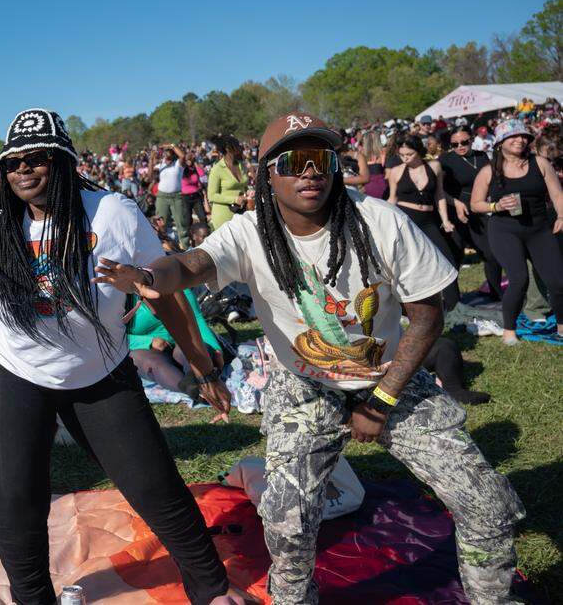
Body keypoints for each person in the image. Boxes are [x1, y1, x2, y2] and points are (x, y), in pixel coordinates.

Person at [97, 112, 526, 605]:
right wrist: (152, 276)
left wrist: (381, 401)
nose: (310, 171)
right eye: (293, 161)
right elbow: (192, 263)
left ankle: (493, 599)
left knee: (487, 504)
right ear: (267, 173)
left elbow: (427, 316)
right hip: (304, 385)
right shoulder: (249, 232)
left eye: (321, 159)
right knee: (286, 523)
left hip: (390, 380)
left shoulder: (380, 220)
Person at [0, 109, 243, 605]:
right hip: (13, 372)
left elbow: (164, 293)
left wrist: (199, 360)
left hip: (100, 372)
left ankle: (212, 589)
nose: (24, 169)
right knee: (16, 499)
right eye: (13, 161)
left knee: (153, 485)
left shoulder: (112, 214)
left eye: (37, 158)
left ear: (63, 160)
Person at [470, 119, 563, 345]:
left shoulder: (539, 162)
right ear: (501, 141)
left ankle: (561, 327)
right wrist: (496, 206)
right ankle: (509, 331)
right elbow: (475, 204)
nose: (520, 140)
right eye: (514, 136)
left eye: (524, 137)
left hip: (539, 228)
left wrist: (561, 215)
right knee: (519, 279)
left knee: (558, 281)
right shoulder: (488, 170)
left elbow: (557, 194)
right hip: (505, 230)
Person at [387, 135, 459, 311]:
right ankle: (407, 307)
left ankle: (453, 306)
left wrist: (445, 220)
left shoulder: (434, 166)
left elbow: (439, 195)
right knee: (407, 266)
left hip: (428, 220)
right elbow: (392, 199)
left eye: (409, 154)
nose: (405, 158)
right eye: (402, 154)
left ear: (419, 151)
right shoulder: (396, 171)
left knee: (447, 260)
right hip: (405, 218)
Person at [440, 127, 503, 299]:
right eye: (455, 144)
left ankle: (496, 294)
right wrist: (455, 203)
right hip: (455, 212)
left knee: (491, 254)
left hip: (479, 212)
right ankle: (452, 301)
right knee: (454, 257)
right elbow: (438, 191)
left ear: (472, 139)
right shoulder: (446, 160)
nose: (460, 146)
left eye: (464, 142)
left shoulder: (481, 156)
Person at [206, 135, 248, 230]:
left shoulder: (242, 165)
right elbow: (211, 196)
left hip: (241, 212)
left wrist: (249, 191)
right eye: (237, 146)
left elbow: (244, 187)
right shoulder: (217, 169)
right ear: (228, 149)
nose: (241, 148)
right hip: (224, 216)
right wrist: (234, 199)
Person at [360, 132, 388, 198]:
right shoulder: (383, 152)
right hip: (382, 185)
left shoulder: (362, 154)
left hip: (367, 186)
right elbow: (385, 168)